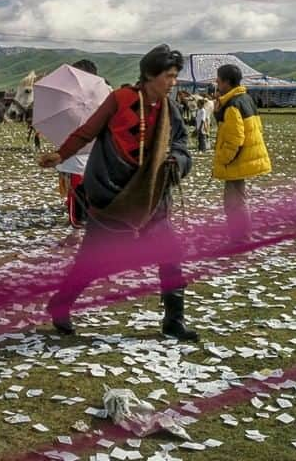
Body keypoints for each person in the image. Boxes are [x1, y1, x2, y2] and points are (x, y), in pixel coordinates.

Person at [39, 44, 197, 341]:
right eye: (169, 76)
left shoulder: (169, 109)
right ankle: (60, 304)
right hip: (113, 200)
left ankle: (173, 321)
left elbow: (180, 144)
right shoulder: (119, 100)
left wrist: (178, 161)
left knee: (171, 256)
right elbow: (87, 131)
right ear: (150, 75)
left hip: (152, 198)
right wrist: (60, 156)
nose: (173, 82)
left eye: (175, 76)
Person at [212, 64, 272, 245]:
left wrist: (222, 159)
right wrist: (217, 110)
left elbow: (234, 140)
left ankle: (241, 239)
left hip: (237, 160)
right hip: (244, 157)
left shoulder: (232, 105)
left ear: (226, 82)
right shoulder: (245, 99)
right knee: (237, 200)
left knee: (234, 203)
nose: (217, 83)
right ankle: (240, 237)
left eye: (219, 80)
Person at [55, 60, 105, 246]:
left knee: (78, 194)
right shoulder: (106, 94)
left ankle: (77, 234)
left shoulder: (75, 98)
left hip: (80, 155)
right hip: (95, 154)